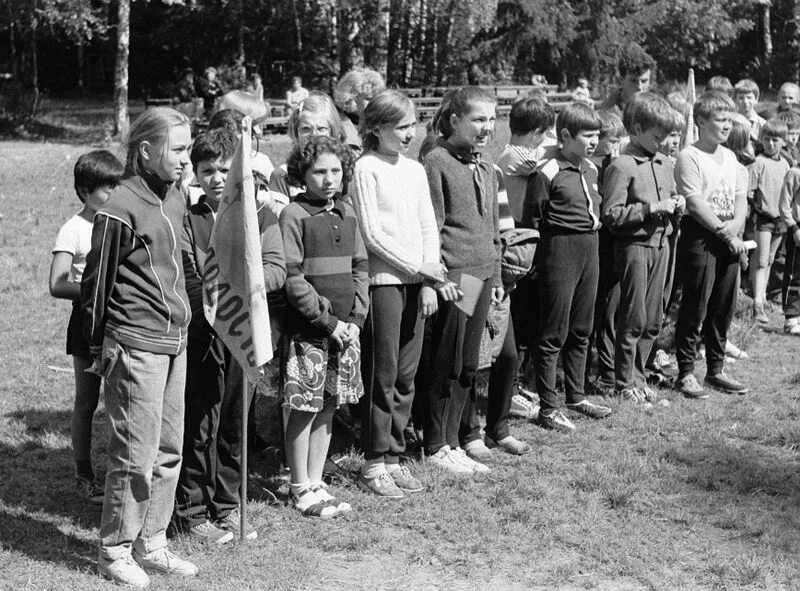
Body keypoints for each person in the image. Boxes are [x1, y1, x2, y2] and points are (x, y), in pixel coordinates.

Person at [81, 107, 196, 587]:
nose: (185, 160)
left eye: (189, 148)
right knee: (135, 451)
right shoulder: (119, 207)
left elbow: (182, 264)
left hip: (177, 342)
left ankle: (154, 542)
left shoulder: (174, 196)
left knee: (169, 448)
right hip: (135, 345)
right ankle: (116, 549)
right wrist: (97, 348)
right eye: (178, 149)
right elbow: (95, 283)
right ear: (146, 151)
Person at [174, 128, 285, 543]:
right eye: (207, 171)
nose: (218, 178)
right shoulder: (189, 220)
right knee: (202, 421)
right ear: (196, 176)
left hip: (247, 335)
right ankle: (191, 509)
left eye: (225, 169)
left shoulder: (262, 216)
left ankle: (227, 505)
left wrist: (245, 285)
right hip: (205, 334)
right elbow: (189, 273)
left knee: (235, 422)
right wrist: (215, 305)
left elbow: (276, 268)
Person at [351, 90, 443, 497]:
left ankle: (394, 454)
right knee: (383, 373)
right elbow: (372, 235)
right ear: (376, 129)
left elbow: (428, 227)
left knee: (407, 374)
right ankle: (373, 462)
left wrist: (428, 280)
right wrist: (414, 267)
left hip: (417, 282)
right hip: (384, 285)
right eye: (400, 127)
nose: (410, 134)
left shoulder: (415, 170)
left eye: (412, 125)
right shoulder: (365, 169)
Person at [279, 135, 368, 517]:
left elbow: (361, 266)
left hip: (346, 332)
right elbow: (292, 276)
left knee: (330, 406)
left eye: (335, 170)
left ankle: (317, 481)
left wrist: (355, 320)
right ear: (303, 173)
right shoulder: (293, 215)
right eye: (319, 171)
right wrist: (327, 321)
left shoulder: (348, 212)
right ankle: (299, 486)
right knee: (304, 407)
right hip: (310, 332)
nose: (329, 179)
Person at [418, 87, 502, 474]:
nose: (487, 127)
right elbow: (431, 225)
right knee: (447, 361)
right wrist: (435, 278)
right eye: (479, 119)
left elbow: (491, 228)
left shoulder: (484, 166)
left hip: (483, 275)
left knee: (470, 363)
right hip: (457, 277)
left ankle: (455, 439)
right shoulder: (437, 161)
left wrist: (497, 273)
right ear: (455, 121)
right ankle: (436, 443)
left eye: (492, 118)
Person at [521, 103, 613, 432]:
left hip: (590, 247)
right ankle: (548, 406)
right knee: (553, 331)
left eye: (596, 135)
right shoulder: (547, 171)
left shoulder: (590, 168)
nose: (593, 141)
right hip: (559, 248)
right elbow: (532, 218)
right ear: (565, 136)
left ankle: (576, 393)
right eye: (587, 135)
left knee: (582, 326)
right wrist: (535, 261)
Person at [49, 150, 123, 505]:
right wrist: (96, 288)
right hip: (87, 321)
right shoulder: (74, 229)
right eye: (106, 187)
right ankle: (84, 473)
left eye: (117, 185)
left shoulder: (121, 223)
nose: (113, 193)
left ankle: (123, 474)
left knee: (122, 401)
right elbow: (57, 284)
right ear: (84, 191)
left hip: (122, 320)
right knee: (87, 400)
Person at [602, 95, 685, 402]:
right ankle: (624, 384)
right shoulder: (622, 166)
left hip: (663, 245)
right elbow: (611, 215)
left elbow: (671, 196)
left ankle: (639, 378)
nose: (664, 143)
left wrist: (678, 205)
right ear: (636, 129)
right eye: (657, 136)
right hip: (635, 246)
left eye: (667, 136)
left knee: (653, 318)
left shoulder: (664, 163)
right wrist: (650, 208)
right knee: (633, 316)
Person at [673, 91, 750, 398]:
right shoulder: (689, 156)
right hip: (702, 236)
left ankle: (716, 369)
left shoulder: (731, 157)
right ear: (702, 121)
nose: (727, 126)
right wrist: (724, 232)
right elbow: (694, 202)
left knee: (723, 305)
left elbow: (741, 201)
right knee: (696, 304)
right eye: (720, 120)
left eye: (730, 120)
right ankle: (686, 372)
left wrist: (733, 230)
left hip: (728, 237)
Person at [496, 97, 556, 411]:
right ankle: (511, 389)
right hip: (516, 245)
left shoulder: (513, 152)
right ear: (535, 132)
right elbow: (538, 161)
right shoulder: (515, 157)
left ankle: (516, 383)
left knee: (522, 322)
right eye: (545, 134)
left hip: (521, 242)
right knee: (516, 323)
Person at [588, 110, 626, 395]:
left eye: (618, 140)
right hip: (595, 246)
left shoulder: (614, 163)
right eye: (609, 139)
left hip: (612, 247)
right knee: (593, 311)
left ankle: (607, 370)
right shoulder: (592, 164)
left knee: (611, 311)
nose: (614, 146)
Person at [268, 92, 346, 208]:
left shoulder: (341, 171)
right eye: (306, 129)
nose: (314, 135)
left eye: (321, 128)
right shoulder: (282, 175)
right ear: (296, 132)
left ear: (332, 131)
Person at [748, 119, 790, 324]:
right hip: (764, 217)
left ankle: (762, 296)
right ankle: (756, 303)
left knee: (772, 259)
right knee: (762, 259)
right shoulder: (758, 162)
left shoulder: (785, 164)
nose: (770, 144)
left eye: (775, 140)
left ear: (784, 142)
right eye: (767, 139)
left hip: (781, 217)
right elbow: (749, 191)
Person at [333, 67, 386, 153]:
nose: (375, 103)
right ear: (350, 98)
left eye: (377, 98)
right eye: (369, 99)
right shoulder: (337, 127)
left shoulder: (374, 125)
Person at [599, 44, 656, 117]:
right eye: (633, 81)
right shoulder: (604, 115)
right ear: (621, 80)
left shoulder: (656, 114)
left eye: (644, 81)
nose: (639, 87)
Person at [778, 158, 800, 335]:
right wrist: (793, 228)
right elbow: (784, 205)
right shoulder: (794, 173)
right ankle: (791, 317)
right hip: (797, 229)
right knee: (794, 272)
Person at [734, 78, 766, 148]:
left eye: (749, 97)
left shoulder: (763, 124)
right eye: (741, 98)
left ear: (756, 99)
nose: (745, 101)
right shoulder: (731, 121)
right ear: (735, 99)